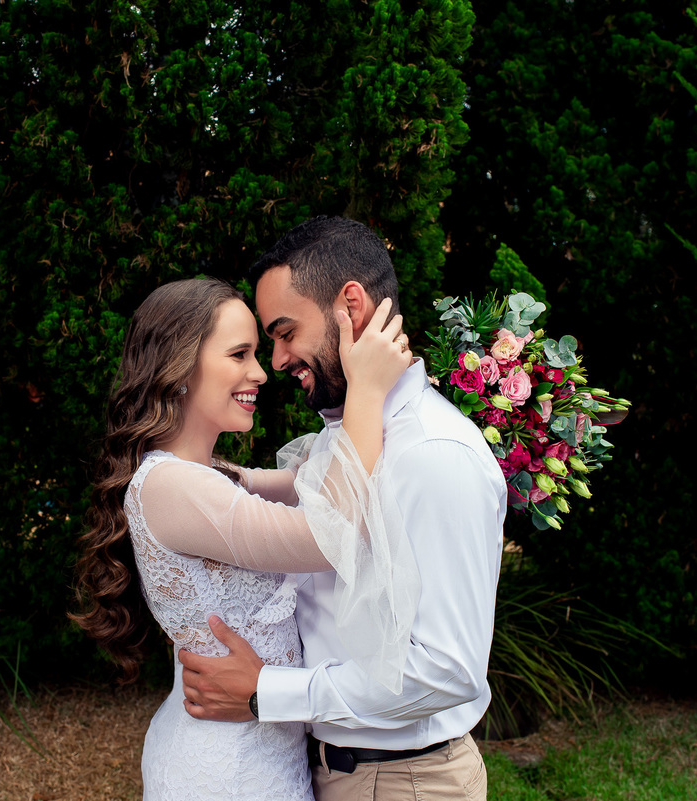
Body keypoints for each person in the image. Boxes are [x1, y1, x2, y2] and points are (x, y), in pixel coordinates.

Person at [179, 217, 507, 801]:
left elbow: (448, 670)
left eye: (285, 333)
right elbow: (312, 491)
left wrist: (268, 691)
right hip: (340, 772)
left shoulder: (433, 456)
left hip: (403, 781)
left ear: (349, 306)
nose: (277, 360)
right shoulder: (355, 430)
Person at [72, 276, 418, 800]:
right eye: (239, 354)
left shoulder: (205, 476)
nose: (260, 371)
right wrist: (366, 391)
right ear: (179, 367)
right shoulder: (171, 486)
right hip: (223, 772)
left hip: (260, 757)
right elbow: (329, 536)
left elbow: (317, 483)